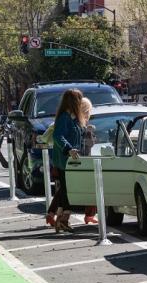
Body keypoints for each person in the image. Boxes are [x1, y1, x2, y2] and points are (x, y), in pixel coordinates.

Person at [52, 91, 97, 233]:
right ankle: (62, 220)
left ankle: (61, 220)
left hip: (72, 160)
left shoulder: (72, 118)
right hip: (65, 161)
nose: (81, 101)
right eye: (79, 99)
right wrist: (69, 149)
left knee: (66, 191)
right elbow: (58, 135)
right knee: (68, 190)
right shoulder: (64, 117)